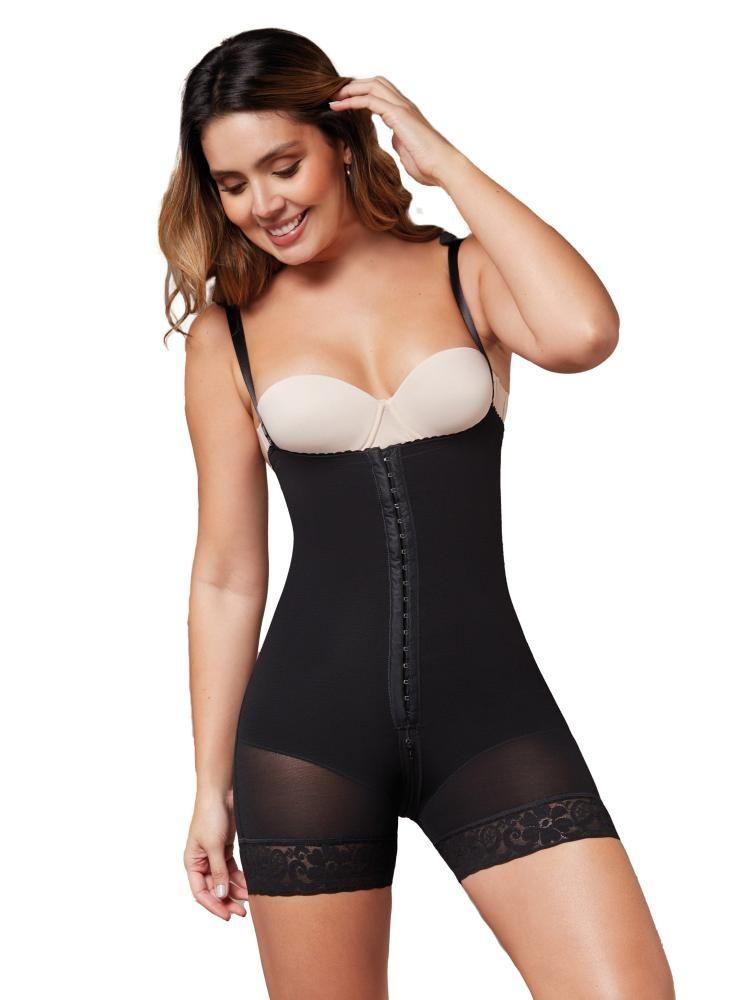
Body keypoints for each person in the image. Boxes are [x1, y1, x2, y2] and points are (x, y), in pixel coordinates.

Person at [159, 26, 675, 1000]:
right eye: (232, 184)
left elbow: (583, 332)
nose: (264, 203)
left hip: (491, 719)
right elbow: (226, 574)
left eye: (283, 165)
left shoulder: (465, 271)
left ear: (342, 142)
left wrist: (442, 162)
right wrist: (206, 784)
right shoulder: (225, 336)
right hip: (304, 738)